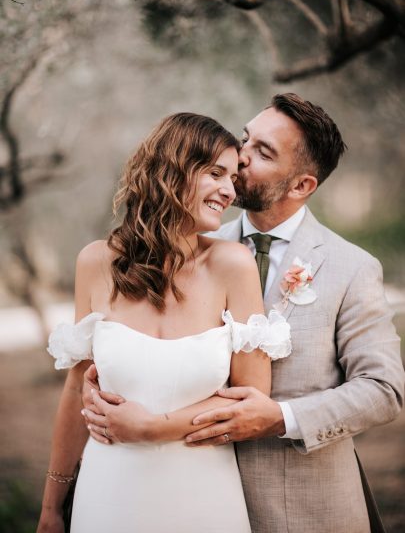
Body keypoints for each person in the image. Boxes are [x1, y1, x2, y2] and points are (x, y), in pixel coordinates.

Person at [83, 94, 404, 533]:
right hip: (192, 498)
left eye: (263, 152)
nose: (240, 155)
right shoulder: (190, 245)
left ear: (301, 186)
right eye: (246, 139)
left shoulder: (352, 268)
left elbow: (384, 390)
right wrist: (102, 386)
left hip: (303, 509)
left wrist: (281, 418)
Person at [37, 112, 292, 533]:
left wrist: (151, 429)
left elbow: (251, 399)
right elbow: (75, 391)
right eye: (215, 173)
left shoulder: (232, 264)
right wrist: (51, 508)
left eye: (233, 177)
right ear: (171, 171)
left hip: (205, 500)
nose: (229, 190)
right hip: (107, 496)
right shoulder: (96, 262)